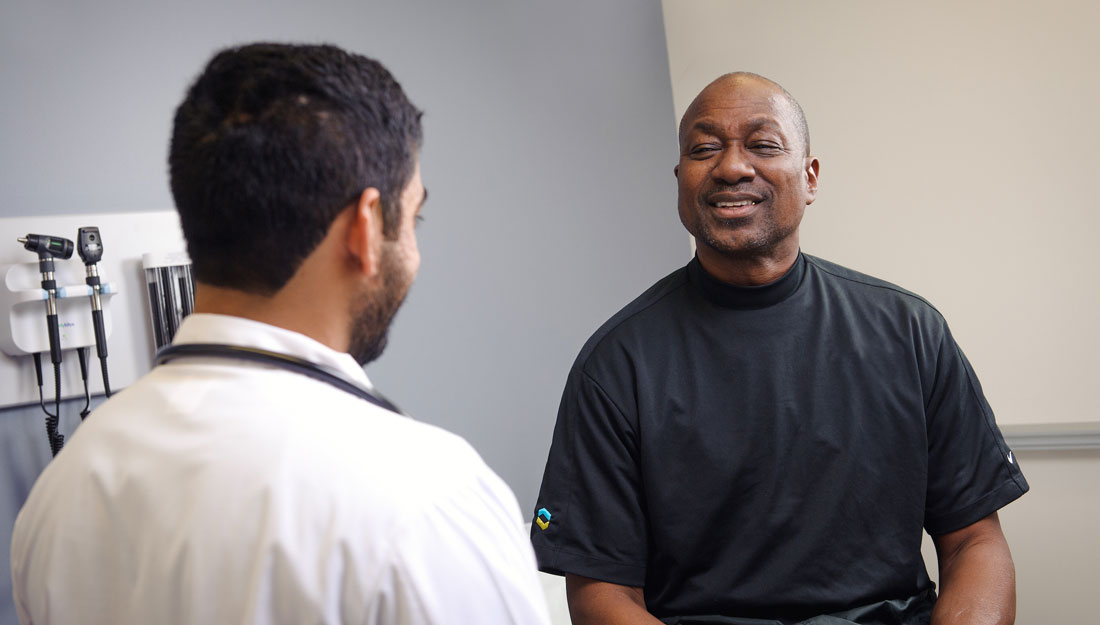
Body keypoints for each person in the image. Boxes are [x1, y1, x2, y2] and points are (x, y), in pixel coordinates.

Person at [11, 43, 550, 625]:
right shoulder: (427, 503)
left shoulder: (60, 494)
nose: (415, 249)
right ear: (365, 228)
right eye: (412, 218)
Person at [530, 72, 1028, 625]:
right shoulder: (618, 366)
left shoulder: (911, 332)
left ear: (810, 177)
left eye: (763, 145)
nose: (732, 167)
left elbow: (974, 544)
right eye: (704, 148)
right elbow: (601, 593)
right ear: (680, 178)